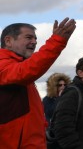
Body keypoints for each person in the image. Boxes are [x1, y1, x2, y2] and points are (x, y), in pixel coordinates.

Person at [0, 18, 77, 148]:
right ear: (8, 41)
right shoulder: (3, 65)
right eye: (29, 37)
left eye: (35, 39)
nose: (34, 42)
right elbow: (27, 70)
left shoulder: (20, 67)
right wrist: (57, 41)